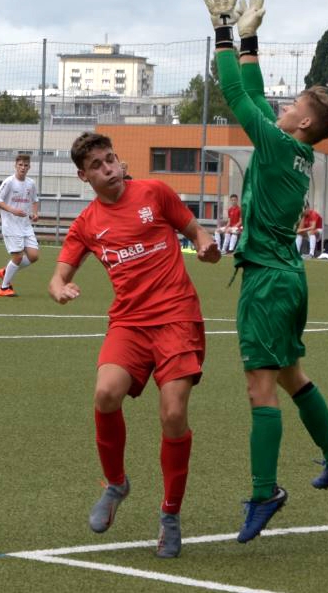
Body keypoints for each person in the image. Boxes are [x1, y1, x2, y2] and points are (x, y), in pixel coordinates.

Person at [204, 0, 328, 544]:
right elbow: (256, 91)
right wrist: (249, 37)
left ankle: (265, 492)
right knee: (293, 376)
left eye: (293, 107)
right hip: (289, 278)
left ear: (303, 125)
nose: (283, 107)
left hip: (268, 281)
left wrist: (222, 29)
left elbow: (236, 94)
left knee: (260, 389)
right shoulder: (295, 150)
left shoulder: (275, 142)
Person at [48, 131, 221, 560]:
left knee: (174, 413)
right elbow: (58, 276)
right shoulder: (87, 223)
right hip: (129, 322)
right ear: (83, 176)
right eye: (97, 166)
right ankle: (116, 484)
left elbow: (196, 229)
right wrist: (60, 289)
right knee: (106, 393)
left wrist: (204, 244)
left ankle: (170, 514)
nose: (108, 169)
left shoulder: (156, 193)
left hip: (177, 317)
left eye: (111, 160)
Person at [0, 153, 40, 297]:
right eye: (20, 165)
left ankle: (6, 271)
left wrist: (35, 213)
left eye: (26, 165)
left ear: (29, 167)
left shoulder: (31, 183)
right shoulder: (9, 182)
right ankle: (4, 287)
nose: (23, 168)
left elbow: (35, 200)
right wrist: (12, 210)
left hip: (25, 226)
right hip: (11, 226)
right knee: (18, 257)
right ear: (16, 166)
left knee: (33, 256)